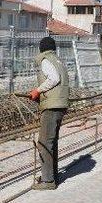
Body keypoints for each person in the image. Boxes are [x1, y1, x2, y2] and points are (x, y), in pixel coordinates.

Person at [29, 36, 69, 190]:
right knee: (52, 143)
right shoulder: (58, 61)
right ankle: (52, 176)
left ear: (42, 49)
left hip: (52, 108)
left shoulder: (46, 60)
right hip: (60, 105)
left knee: (44, 143)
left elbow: (54, 79)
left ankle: (47, 181)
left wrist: (37, 90)